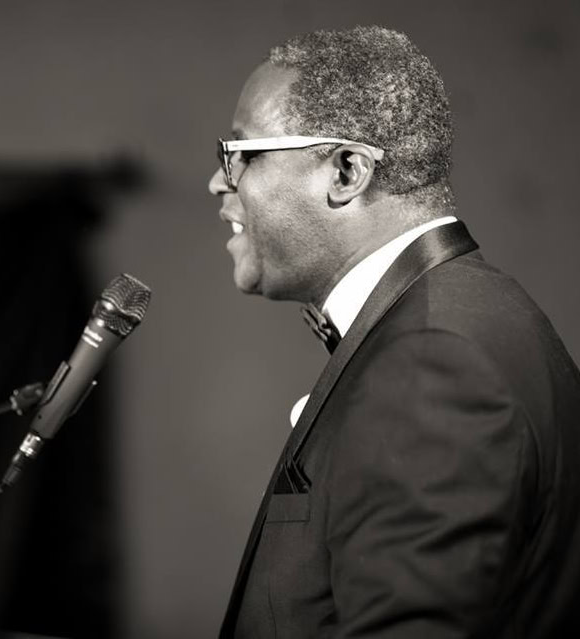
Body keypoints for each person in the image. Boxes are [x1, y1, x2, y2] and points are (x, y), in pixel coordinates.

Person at [208, 25, 580, 639]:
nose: (220, 182)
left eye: (241, 153)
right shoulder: (456, 315)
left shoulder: (435, 362)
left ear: (346, 172)